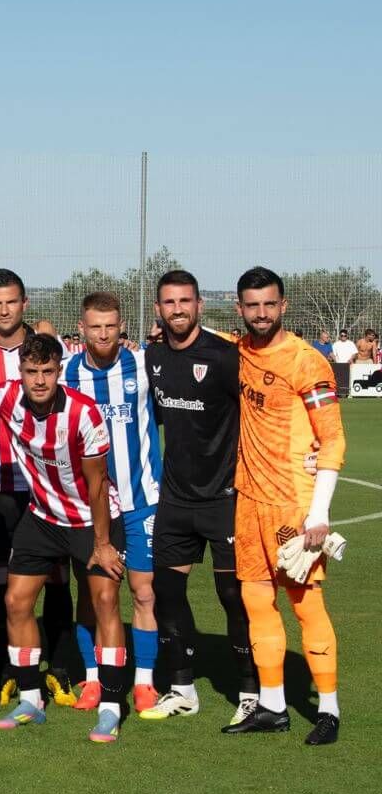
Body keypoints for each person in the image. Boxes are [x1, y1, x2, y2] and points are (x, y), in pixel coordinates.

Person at [0, 334, 129, 744]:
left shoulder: (84, 413)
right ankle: (31, 699)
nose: (39, 380)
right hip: (42, 517)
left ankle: (112, 707)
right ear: (21, 372)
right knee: (15, 601)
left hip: (91, 520)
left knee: (104, 602)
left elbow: (97, 485)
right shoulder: (7, 398)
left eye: (47, 372)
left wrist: (102, 544)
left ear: (59, 372)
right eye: (31, 372)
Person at [223, 267, 344, 746]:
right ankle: (272, 705)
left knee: (306, 605)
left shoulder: (307, 361)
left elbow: (332, 439)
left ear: (284, 305)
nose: (261, 314)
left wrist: (319, 513)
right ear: (239, 309)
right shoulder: (240, 352)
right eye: (252, 306)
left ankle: (329, 709)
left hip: (292, 504)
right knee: (256, 602)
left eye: (269, 304)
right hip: (247, 500)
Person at [139, 269, 260, 725]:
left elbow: (258, 414)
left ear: (199, 305)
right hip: (175, 501)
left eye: (185, 301)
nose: (177, 310)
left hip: (226, 499)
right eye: (169, 303)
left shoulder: (226, 357)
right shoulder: (152, 357)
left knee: (233, 595)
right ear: (158, 309)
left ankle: (250, 691)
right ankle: (183, 688)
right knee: (167, 593)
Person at [0, 269, 72, 705]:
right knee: (0, 579)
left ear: (25, 303)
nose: (4, 311)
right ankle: (8, 669)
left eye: (12, 302)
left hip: (43, 485)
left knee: (56, 578)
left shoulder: (44, 348)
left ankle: (58, 668)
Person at [63, 293, 162, 714]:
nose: (103, 335)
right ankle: (91, 679)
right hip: (90, 506)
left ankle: (143, 682)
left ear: (122, 327)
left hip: (142, 500)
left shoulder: (142, 365)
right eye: (95, 327)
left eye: (111, 327)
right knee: (92, 595)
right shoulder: (66, 372)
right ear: (81, 329)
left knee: (143, 592)